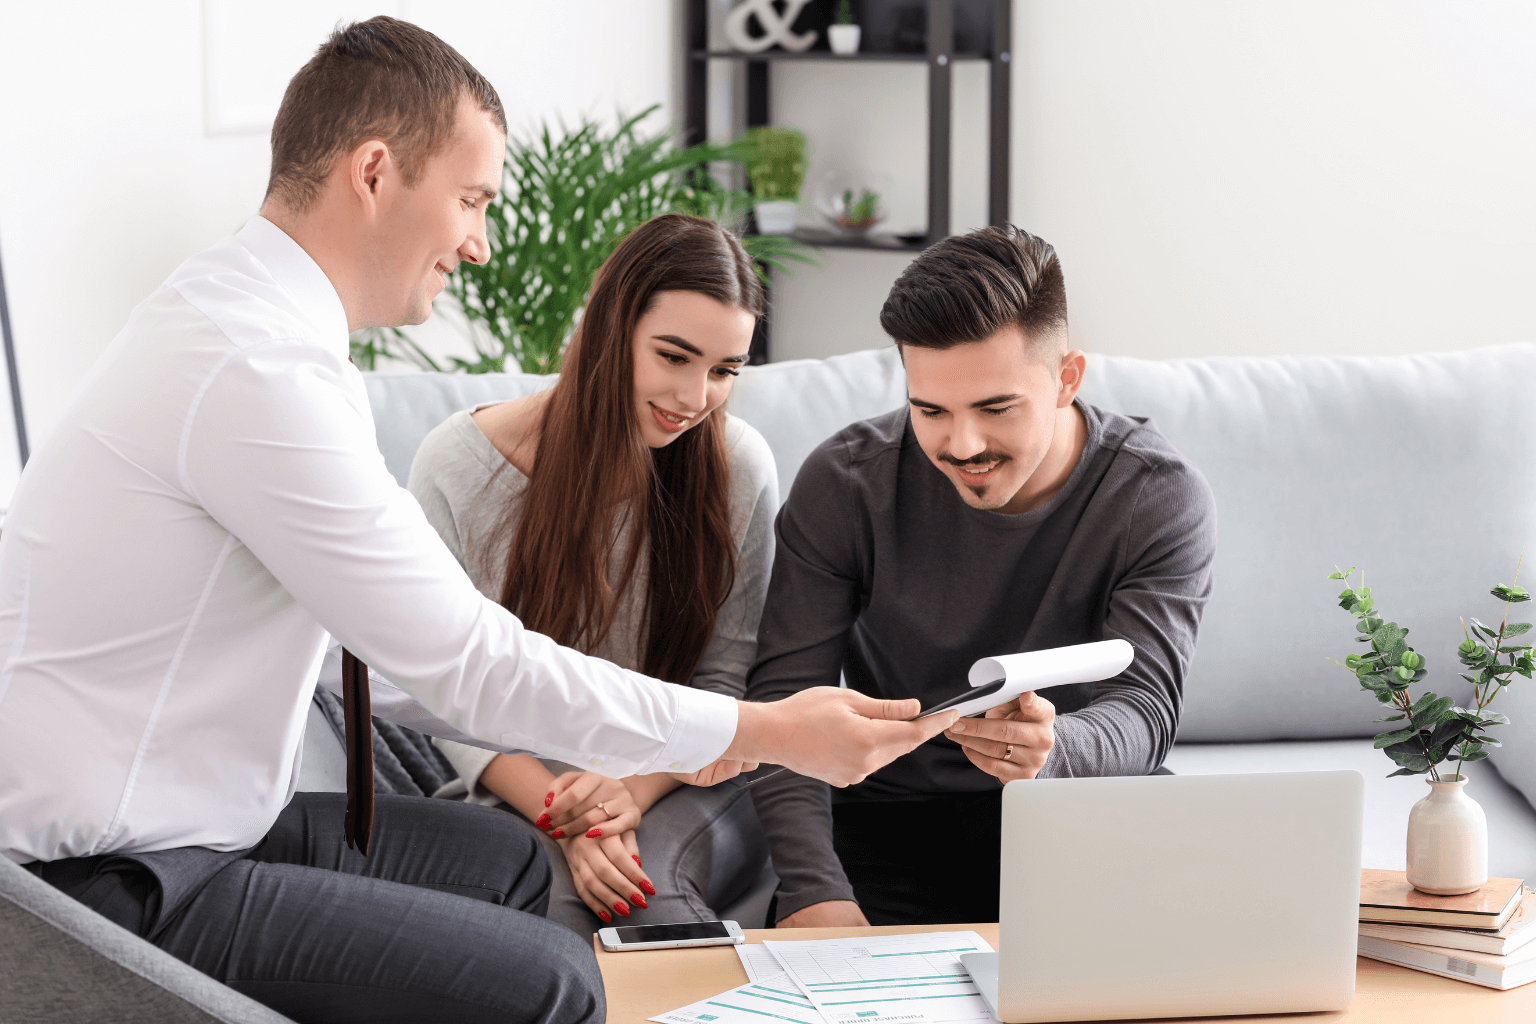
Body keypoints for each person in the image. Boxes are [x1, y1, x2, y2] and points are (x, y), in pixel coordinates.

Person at [0, 18, 959, 1024]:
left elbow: (386, 662)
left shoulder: (248, 325)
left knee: (506, 860)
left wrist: (629, 770)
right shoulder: (256, 370)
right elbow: (467, 658)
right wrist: (760, 730)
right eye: (471, 200)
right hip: (96, 880)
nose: (480, 240)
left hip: (185, 830)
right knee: (557, 979)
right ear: (375, 172)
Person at [747, 225, 1218, 928]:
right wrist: (817, 893)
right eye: (929, 410)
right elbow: (786, 704)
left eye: (995, 409)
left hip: (1077, 808)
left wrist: (1055, 749)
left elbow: (1146, 708)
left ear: (1066, 379)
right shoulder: (846, 483)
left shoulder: (1155, 495)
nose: (961, 445)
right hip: (886, 822)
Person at [410, 213, 777, 932]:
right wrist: (570, 816)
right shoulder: (456, 464)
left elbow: (726, 680)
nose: (695, 397)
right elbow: (446, 691)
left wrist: (628, 796)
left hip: (687, 779)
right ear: (611, 330)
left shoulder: (738, 467)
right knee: (563, 909)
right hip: (526, 784)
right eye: (674, 356)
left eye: (723, 371)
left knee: (651, 900)